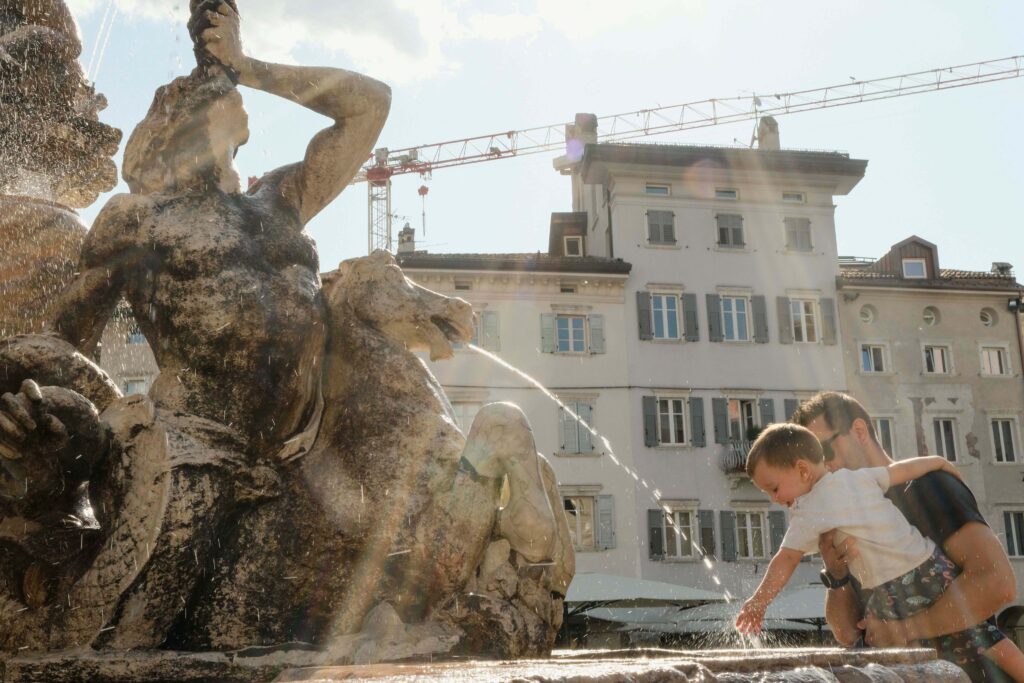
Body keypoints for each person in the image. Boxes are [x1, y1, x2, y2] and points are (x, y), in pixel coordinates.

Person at [51, 0, 391, 460]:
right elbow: (66, 341)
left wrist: (248, 67)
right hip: (191, 449)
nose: (205, 80)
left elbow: (371, 104)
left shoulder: (282, 199)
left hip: (300, 455)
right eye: (181, 87)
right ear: (172, 126)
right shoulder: (138, 217)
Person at [735, 423, 1024, 682]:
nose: (774, 499)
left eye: (773, 488)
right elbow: (900, 471)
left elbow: (784, 560)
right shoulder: (856, 478)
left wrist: (759, 602)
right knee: (980, 634)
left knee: (871, 641)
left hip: (893, 589)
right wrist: (939, 462)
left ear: (802, 470)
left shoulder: (808, 511)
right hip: (932, 563)